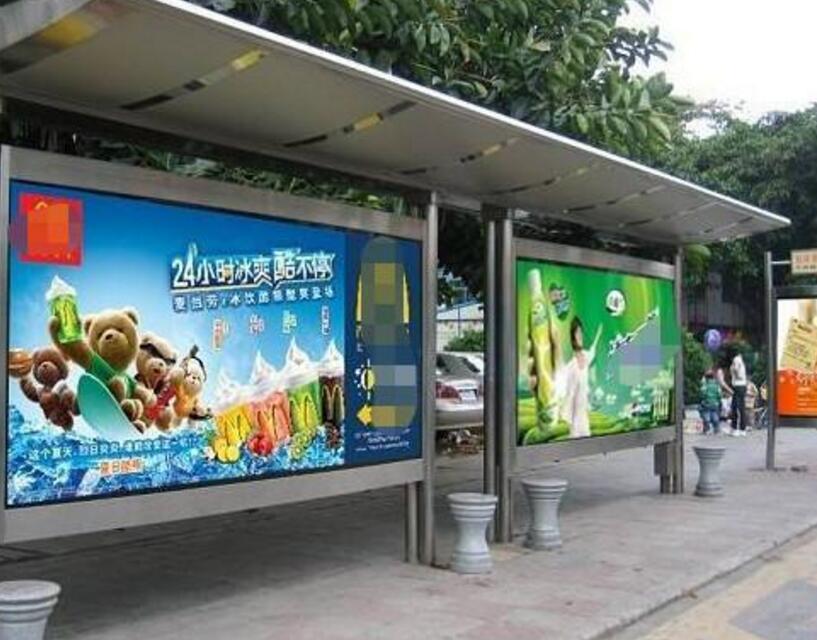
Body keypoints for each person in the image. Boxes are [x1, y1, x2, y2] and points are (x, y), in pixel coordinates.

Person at [562, 316, 602, 439]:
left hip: (584, 419)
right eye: (577, 333)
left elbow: (592, 350)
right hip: (575, 423)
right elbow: (568, 396)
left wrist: (599, 333)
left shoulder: (585, 356)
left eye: (581, 332)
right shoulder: (571, 367)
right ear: (572, 337)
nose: (580, 336)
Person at [730, 352, 748, 436]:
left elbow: (736, 369)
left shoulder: (737, 359)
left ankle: (736, 429)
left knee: (736, 407)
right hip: (742, 385)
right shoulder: (741, 361)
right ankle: (742, 428)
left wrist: (737, 376)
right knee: (741, 407)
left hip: (738, 385)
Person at [699, 370, 722, 435]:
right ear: (713, 377)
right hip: (715, 403)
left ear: (706, 378)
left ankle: (707, 429)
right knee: (715, 416)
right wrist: (718, 400)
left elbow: (702, 394)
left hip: (707, 403)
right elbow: (720, 395)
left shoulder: (705, 385)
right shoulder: (717, 385)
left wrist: (703, 399)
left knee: (706, 416)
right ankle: (716, 430)